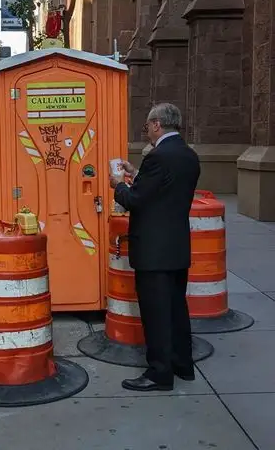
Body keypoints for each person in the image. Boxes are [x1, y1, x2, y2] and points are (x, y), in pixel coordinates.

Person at [109, 103, 200, 392]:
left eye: (147, 125)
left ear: (157, 124)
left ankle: (159, 373)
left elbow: (135, 200)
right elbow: (162, 190)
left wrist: (117, 185)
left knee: (156, 313)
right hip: (176, 247)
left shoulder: (158, 156)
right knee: (176, 308)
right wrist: (136, 173)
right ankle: (182, 364)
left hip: (153, 250)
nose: (146, 130)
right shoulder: (189, 155)